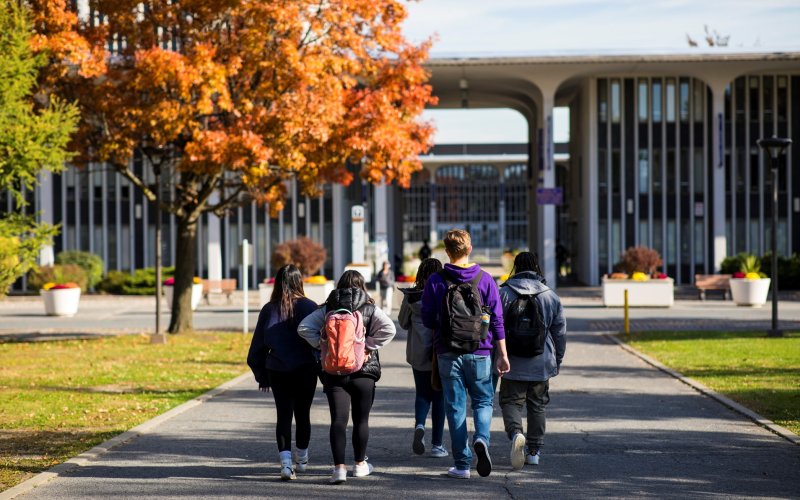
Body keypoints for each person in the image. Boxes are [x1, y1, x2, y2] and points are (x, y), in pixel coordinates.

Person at [421, 229, 510, 479]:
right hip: (481, 350)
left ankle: (462, 465)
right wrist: (502, 354)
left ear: (447, 251)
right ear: (469, 249)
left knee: (455, 407)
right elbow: (497, 321)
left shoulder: (436, 281)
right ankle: (481, 439)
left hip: (448, 352)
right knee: (483, 401)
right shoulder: (485, 279)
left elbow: (427, 318)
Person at [298, 270, 396, 485]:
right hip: (364, 372)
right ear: (362, 285)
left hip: (334, 372)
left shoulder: (327, 308)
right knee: (361, 420)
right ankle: (360, 465)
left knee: (338, 421)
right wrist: (366, 346)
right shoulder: (369, 307)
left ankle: (339, 469)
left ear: (340, 285)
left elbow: (303, 328)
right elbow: (389, 329)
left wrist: (323, 346)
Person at [246, 264, 320, 481]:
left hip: (278, 370)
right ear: (299, 282)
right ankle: (303, 458)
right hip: (306, 369)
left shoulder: (269, 309)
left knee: (283, 415)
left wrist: (262, 376)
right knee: (303, 413)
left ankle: (286, 464)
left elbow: (256, 350)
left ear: (278, 282)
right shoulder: (311, 307)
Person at [498, 251, 566, 469]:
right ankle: (534, 451)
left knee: (510, 402)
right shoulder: (550, 295)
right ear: (536, 267)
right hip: (541, 360)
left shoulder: (504, 293)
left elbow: (493, 328)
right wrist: (558, 358)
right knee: (537, 405)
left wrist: (496, 357)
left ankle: (516, 433)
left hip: (511, 360)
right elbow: (559, 333)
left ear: (516, 267)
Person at [398, 257, 448, 459]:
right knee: (440, 398)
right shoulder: (445, 291)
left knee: (422, 394)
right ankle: (437, 445)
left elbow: (402, 322)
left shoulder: (411, 296)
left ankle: (420, 424)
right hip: (441, 351)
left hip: (418, 352)